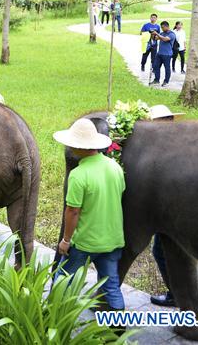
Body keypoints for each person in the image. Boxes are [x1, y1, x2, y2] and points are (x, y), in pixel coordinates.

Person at [54, 118, 126, 313]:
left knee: (62, 278)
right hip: (112, 240)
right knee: (111, 285)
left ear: (77, 146)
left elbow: (73, 211)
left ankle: (52, 319)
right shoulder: (115, 168)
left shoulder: (78, 174)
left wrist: (66, 240)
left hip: (84, 242)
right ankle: (118, 329)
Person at [145, 105, 198, 306]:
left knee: (161, 251)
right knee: (184, 247)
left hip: (172, 210)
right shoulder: (178, 141)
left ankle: (177, 293)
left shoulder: (162, 148)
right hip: (186, 207)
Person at [150, 20, 176, 87]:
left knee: (167, 68)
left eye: (163, 27)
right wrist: (153, 34)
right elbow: (155, 39)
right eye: (161, 27)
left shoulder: (171, 34)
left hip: (167, 54)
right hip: (159, 54)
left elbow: (165, 39)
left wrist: (157, 33)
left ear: (167, 26)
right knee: (156, 67)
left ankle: (166, 81)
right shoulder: (162, 33)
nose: (162, 29)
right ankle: (156, 80)